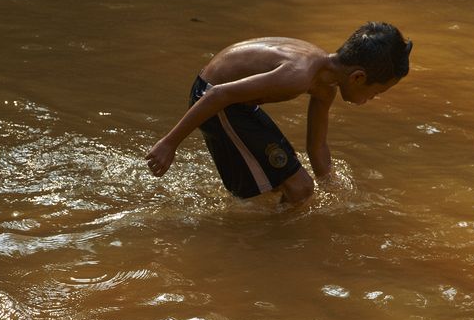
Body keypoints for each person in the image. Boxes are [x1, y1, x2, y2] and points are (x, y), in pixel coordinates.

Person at [145, 21, 413, 208]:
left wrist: (331, 185)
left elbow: (317, 146)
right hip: (215, 98)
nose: (369, 101)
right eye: (375, 93)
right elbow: (217, 95)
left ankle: (248, 219)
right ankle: (268, 244)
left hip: (236, 104)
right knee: (300, 188)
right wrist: (170, 144)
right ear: (358, 77)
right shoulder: (298, 75)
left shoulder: (324, 83)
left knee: (277, 187)